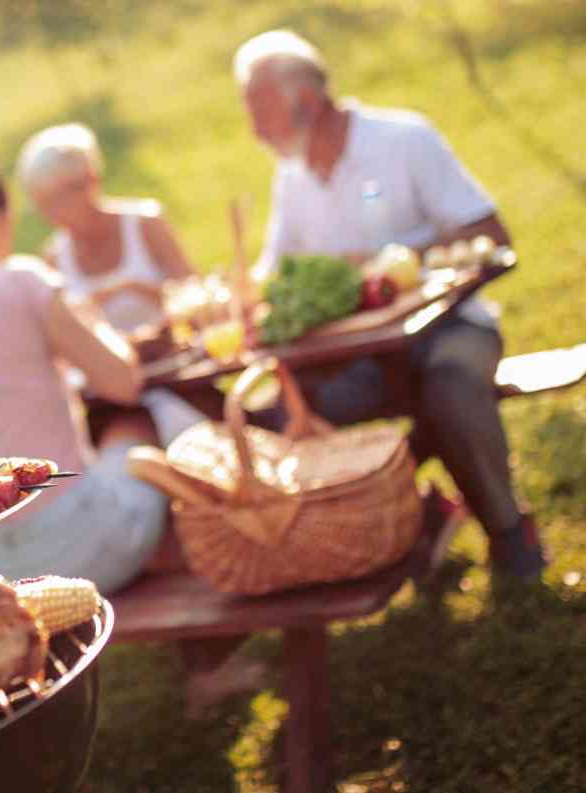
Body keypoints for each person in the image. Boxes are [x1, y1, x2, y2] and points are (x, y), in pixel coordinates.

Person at [0, 155, 262, 715]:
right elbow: (123, 380)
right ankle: (213, 648)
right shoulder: (23, 282)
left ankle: (203, 649)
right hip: (83, 540)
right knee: (142, 429)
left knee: (116, 456)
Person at [233, 29, 547, 582]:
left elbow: (489, 232)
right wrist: (249, 298)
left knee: (448, 389)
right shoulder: (292, 175)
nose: (253, 130)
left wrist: (391, 261)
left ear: (305, 101)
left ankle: (507, 527)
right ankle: (417, 516)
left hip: (452, 327)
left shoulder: (404, 139)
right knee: (292, 415)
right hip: (364, 353)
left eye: (259, 112)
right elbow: (271, 273)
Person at [16, 123, 207, 445]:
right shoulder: (54, 258)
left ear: (89, 182)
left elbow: (200, 302)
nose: (51, 216)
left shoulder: (145, 224)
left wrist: (135, 289)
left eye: (56, 201)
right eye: (43, 205)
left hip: (181, 378)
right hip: (112, 402)